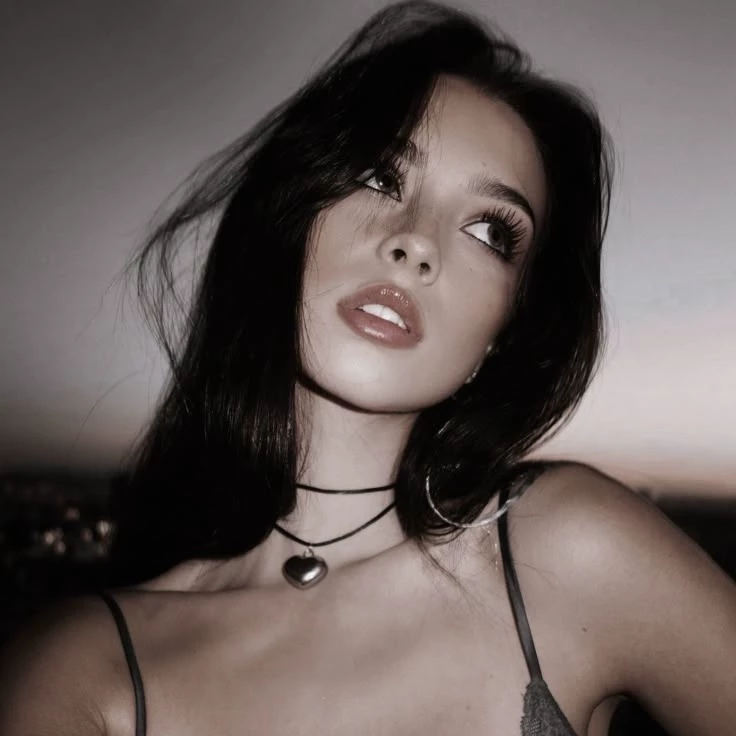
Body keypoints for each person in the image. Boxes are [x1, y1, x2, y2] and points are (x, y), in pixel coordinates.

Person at [1, 2, 735, 734]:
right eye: (380, 177)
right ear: (291, 216)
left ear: (503, 333)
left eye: (489, 230)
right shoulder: (85, 667)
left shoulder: (572, 551)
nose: (416, 243)